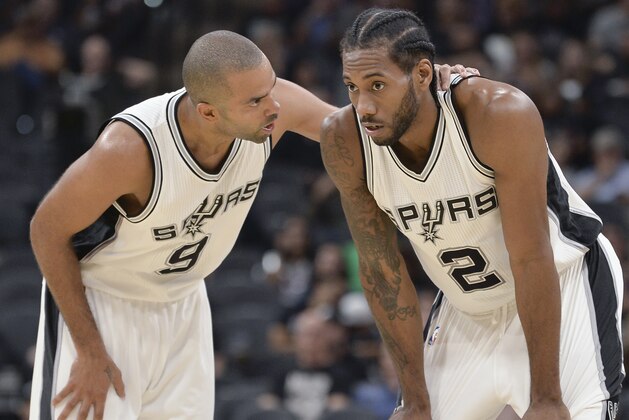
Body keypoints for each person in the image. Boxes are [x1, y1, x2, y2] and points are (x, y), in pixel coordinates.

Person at [28, 29, 474, 419]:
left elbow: (367, 135)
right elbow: (46, 230)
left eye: (271, 88)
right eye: (257, 100)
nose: (275, 106)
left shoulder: (273, 108)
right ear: (208, 113)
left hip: (183, 303)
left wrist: (432, 94)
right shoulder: (129, 151)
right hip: (104, 306)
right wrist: (88, 349)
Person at [320, 8, 624, 420]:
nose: (364, 105)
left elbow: (532, 258)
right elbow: (381, 274)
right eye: (352, 87)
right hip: (465, 306)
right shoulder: (345, 139)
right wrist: (414, 400)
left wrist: (548, 398)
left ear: (423, 75)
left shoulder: (496, 114)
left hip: (562, 285)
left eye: (377, 85)